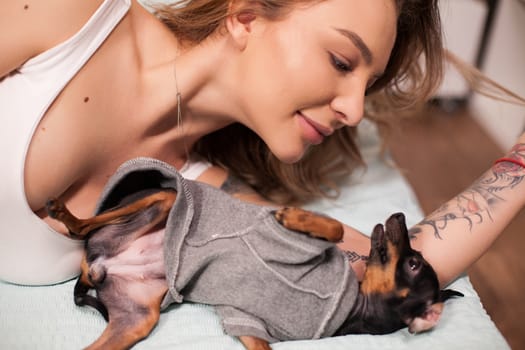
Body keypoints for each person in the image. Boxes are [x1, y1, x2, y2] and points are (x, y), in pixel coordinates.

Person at [0, 0, 523, 287]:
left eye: (366, 84)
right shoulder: (70, 18)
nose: (355, 109)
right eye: (342, 62)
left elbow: (402, 273)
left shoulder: (204, 200)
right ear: (246, 15)